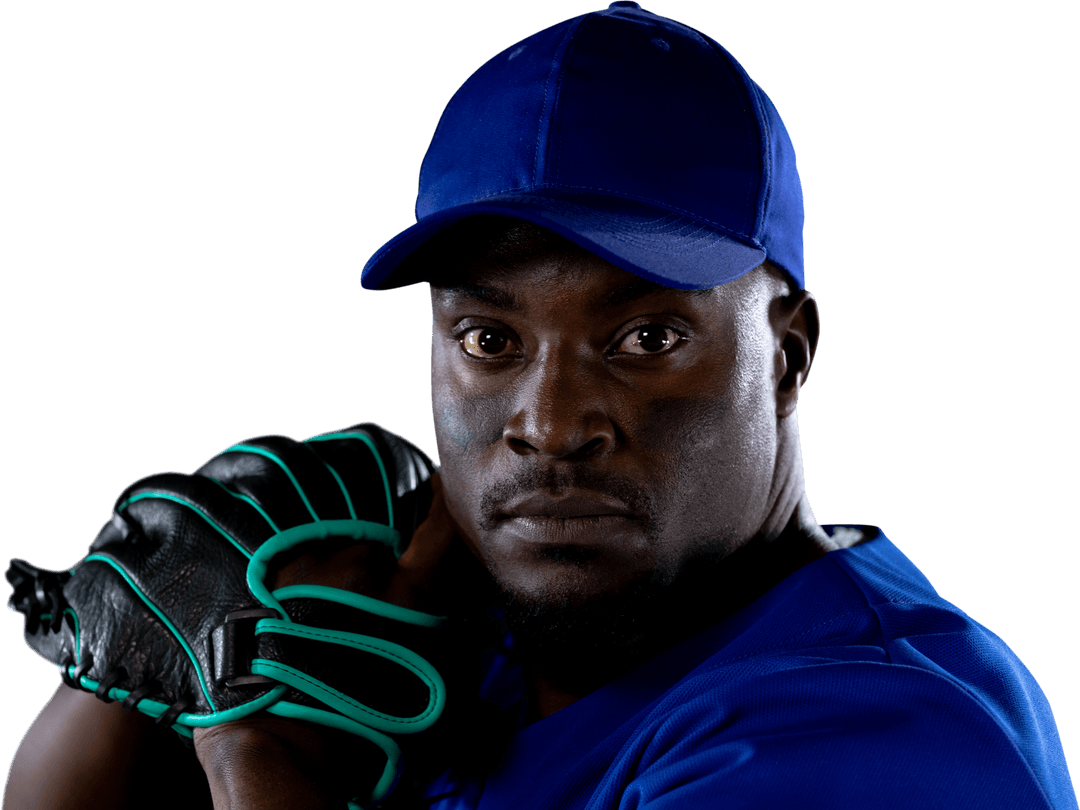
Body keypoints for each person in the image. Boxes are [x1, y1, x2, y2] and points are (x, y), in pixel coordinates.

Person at [5, 3, 1077, 809]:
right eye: (490, 341)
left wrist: (253, 748)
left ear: (787, 356)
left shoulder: (875, 735)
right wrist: (136, 683)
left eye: (645, 339)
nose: (552, 422)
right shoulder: (459, 649)